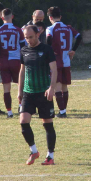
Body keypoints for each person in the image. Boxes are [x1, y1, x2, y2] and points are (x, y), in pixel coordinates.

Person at [18, 25, 58, 166]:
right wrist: (19, 91)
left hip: (44, 93)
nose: (28, 40)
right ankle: (33, 151)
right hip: (28, 93)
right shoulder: (24, 50)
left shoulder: (47, 49)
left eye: (31, 37)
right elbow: (22, 71)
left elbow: (54, 69)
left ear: (37, 35)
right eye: (26, 37)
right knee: (23, 121)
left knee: (47, 125)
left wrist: (51, 88)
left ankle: (50, 156)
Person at [46, 6, 81, 118]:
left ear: (50, 17)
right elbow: (79, 37)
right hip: (66, 61)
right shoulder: (68, 27)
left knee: (57, 86)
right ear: (60, 17)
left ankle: (62, 112)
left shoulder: (50, 28)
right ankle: (63, 110)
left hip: (56, 60)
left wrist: (50, 51)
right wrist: (73, 50)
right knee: (64, 87)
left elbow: (48, 39)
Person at [0, 8, 25, 118]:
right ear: (12, 17)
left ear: (2, 18)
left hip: (3, 61)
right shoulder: (18, 30)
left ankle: (9, 112)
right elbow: (23, 46)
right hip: (16, 60)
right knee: (21, 85)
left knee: (6, 88)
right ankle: (21, 106)